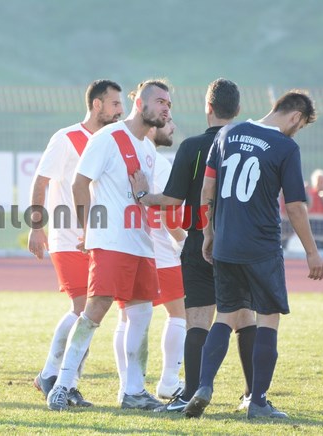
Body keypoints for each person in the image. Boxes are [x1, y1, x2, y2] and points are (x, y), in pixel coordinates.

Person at [183, 90, 323, 420]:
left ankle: (204, 386)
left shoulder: (227, 133)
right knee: (268, 317)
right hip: (262, 246)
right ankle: (258, 400)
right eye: (300, 126)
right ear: (296, 117)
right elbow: (295, 207)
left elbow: (207, 189)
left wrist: (208, 233)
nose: (297, 131)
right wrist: (312, 252)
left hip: (225, 244)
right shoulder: (285, 147)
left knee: (225, 315)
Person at [130, 78, 256, 413]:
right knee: (245, 317)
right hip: (241, 244)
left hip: (200, 240)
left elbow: (171, 200)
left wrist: (143, 195)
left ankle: (190, 392)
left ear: (208, 108)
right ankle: (252, 396)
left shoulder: (193, 147)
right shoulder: (252, 147)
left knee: (197, 318)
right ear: (238, 110)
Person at [46, 79, 172, 411]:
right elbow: (80, 183)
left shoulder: (148, 148)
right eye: (160, 102)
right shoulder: (108, 137)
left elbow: (143, 198)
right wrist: (90, 229)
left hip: (141, 243)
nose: (165, 108)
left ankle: (133, 391)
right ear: (140, 104)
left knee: (142, 313)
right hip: (112, 242)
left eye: (169, 104)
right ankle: (61, 385)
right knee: (95, 309)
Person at [28, 79, 124, 407]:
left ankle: (60, 380)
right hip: (68, 239)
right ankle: (53, 377)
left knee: (89, 313)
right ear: (97, 105)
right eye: (114, 104)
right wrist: (36, 227)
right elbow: (41, 181)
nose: (120, 111)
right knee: (83, 310)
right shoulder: (66, 138)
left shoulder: (109, 141)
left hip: (97, 240)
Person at [113, 114, 187, 405]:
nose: (173, 126)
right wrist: (182, 240)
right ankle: (169, 382)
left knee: (126, 318)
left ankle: (127, 386)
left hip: (132, 247)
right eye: (167, 121)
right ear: (153, 127)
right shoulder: (160, 163)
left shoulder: (129, 158)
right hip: (162, 251)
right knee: (178, 314)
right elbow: (168, 211)